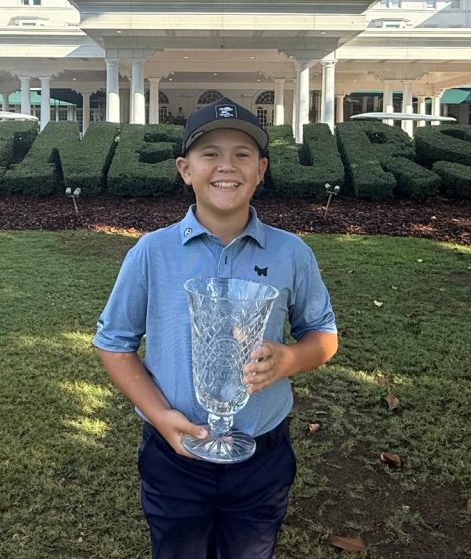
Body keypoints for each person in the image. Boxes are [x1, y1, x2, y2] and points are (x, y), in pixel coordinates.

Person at [93, 97, 339, 559]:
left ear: (261, 169)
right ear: (185, 169)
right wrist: (161, 419)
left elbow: (323, 335)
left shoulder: (291, 253)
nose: (227, 166)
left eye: (242, 154)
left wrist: (289, 358)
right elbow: (114, 344)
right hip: (175, 454)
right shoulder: (152, 252)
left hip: (261, 456)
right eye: (210, 154)